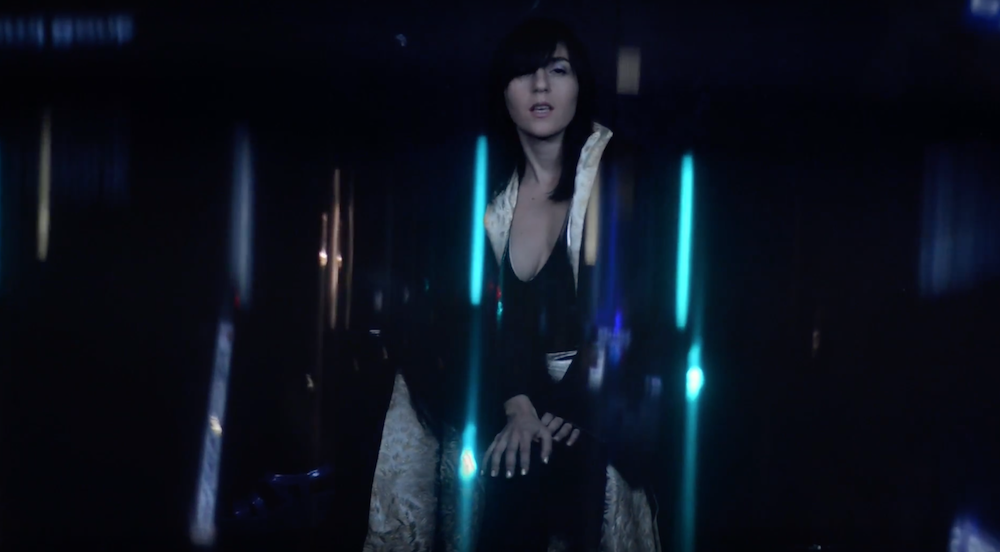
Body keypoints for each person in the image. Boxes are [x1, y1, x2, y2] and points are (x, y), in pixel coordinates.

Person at [474, 17, 661, 552]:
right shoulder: (491, 197)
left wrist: (573, 406)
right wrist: (517, 406)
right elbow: (477, 319)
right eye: (525, 73)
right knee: (505, 468)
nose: (540, 85)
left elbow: (635, 311)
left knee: (553, 475)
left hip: (601, 402)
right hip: (515, 402)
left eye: (557, 70)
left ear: (580, 84)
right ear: (503, 91)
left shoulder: (618, 173)